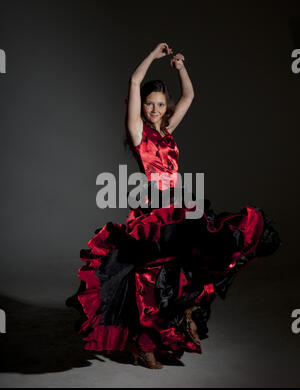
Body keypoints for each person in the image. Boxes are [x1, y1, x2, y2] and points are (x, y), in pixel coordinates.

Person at [66, 43, 281, 369]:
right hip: (154, 210)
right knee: (154, 275)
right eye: (149, 105)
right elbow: (135, 82)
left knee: (204, 258)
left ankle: (186, 312)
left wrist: (180, 67)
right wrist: (154, 55)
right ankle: (143, 341)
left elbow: (189, 97)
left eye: (159, 105)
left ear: (166, 108)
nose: (153, 109)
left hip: (180, 205)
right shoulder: (138, 132)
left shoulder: (167, 131)